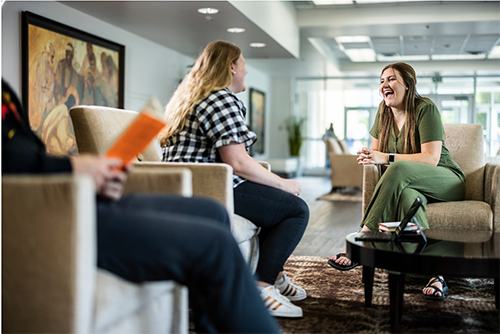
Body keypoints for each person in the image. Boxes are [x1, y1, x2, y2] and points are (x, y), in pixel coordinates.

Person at [1, 79, 281, 334]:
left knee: (213, 210)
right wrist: (72, 168)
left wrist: (89, 175)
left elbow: (25, 153)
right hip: (48, 214)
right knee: (216, 243)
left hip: (72, 193)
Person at [159, 40, 310, 318]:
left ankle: (273, 274)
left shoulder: (188, 99)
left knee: (274, 203)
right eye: (243, 64)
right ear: (231, 67)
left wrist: (273, 183)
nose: (246, 71)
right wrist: (284, 183)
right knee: (295, 209)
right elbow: (237, 162)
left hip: (184, 187)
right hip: (209, 190)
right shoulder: (221, 98)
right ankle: (262, 288)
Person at [327, 62, 465, 301]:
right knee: (409, 198)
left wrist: (387, 157)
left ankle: (365, 238)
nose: (384, 85)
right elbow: (376, 155)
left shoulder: (425, 108)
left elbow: (431, 159)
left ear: (408, 85)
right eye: (381, 81)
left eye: (391, 79)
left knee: (398, 166)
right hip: (413, 186)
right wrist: (369, 157)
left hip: (446, 179)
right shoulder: (383, 112)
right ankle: (437, 275)